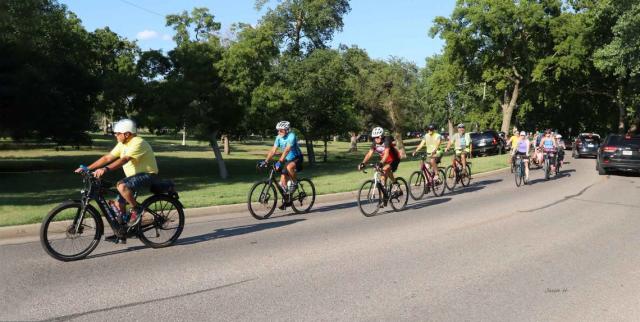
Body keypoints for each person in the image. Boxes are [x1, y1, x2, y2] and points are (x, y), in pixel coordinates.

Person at [75, 118, 159, 241]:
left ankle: (138, 210)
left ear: (127, 134)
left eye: (117, 133)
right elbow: (107, 158)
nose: (115, 135)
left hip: (148, 175)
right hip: (133, 177)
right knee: (118, 204)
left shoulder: (138, 142)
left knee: (121, 185)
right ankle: (123, 232)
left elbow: (124, 159)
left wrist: (105, 170)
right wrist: (88, 168)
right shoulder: (122, 144)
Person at [261, 121, 304, 207]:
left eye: (281, 130)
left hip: (297, 158)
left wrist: (280, 162)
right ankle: (287, 200)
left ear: (287, 130)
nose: (279, 132)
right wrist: (266, 161)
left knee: (289, 167)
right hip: (287, 159)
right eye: (278, 130)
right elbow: (273, 150)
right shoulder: (278, 137)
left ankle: (295, 183)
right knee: (281, 183)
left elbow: (287, 150)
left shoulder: (292, 136)